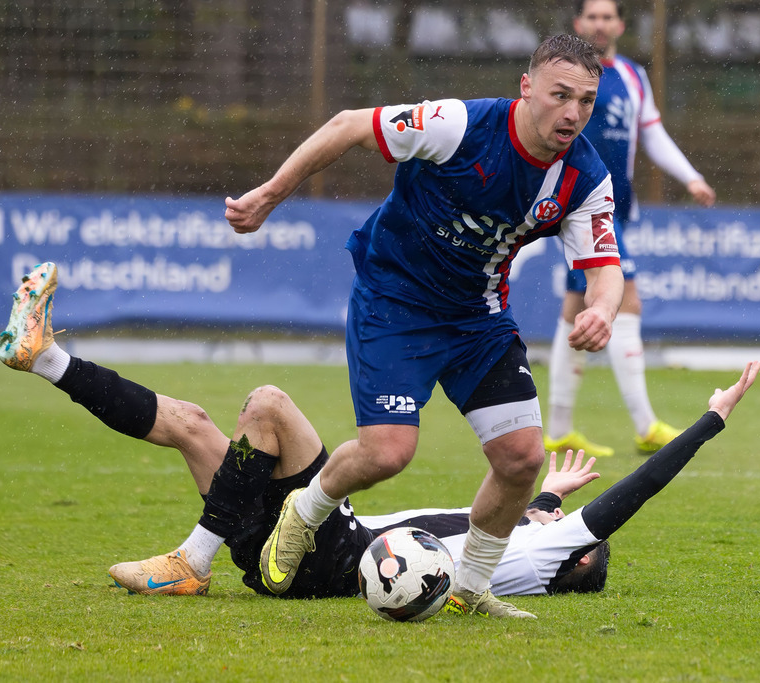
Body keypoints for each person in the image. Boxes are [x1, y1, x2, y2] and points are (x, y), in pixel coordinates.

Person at [0, 262, 760, 602]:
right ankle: (45, 355)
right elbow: (517, 506)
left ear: (575, 556)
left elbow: (626, 498)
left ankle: (193, 560)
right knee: (195, 425)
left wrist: (712, 419)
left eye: (567, 531)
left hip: (333, 551)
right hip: (317, 546)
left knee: (267, 404)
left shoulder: (543, 554)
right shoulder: (516, 533)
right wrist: (547, 492)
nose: (551, 518)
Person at [223, 34, 625, 618]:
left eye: (586, 100)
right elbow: (347, 125)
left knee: (521, 458)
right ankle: (305, 511)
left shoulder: (585, 177)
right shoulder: (457, 125)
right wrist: (269, 196)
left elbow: (605, 269)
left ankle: (471, 585)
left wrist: (601, 310)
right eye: (560, 95)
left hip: (476, 320)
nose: (573, 113)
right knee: (387, 454)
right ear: (526, 87)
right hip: (395, 302)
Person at [544, 0, 718, 459]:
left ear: (619, 25)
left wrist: (691, 176)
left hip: (614, 208)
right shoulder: (564, 74)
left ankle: (558, 427)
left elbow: (653, 134)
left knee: (574, 308)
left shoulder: (633, 77)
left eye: (608, 17)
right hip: (580, 202)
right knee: (627, 300)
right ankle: (644, 425)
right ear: (579, 24)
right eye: (592, 17)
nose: (600, 25)